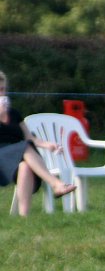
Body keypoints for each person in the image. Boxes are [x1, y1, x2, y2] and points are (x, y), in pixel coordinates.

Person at [0, 70, 76, 216]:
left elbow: (29, 137)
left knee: (25, 166)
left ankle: (24, 217)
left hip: (17, 154)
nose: (1, 93)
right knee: (25, 147)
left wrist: (47, 144)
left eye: (2, 89)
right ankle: (56, 184)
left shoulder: (14, 113)